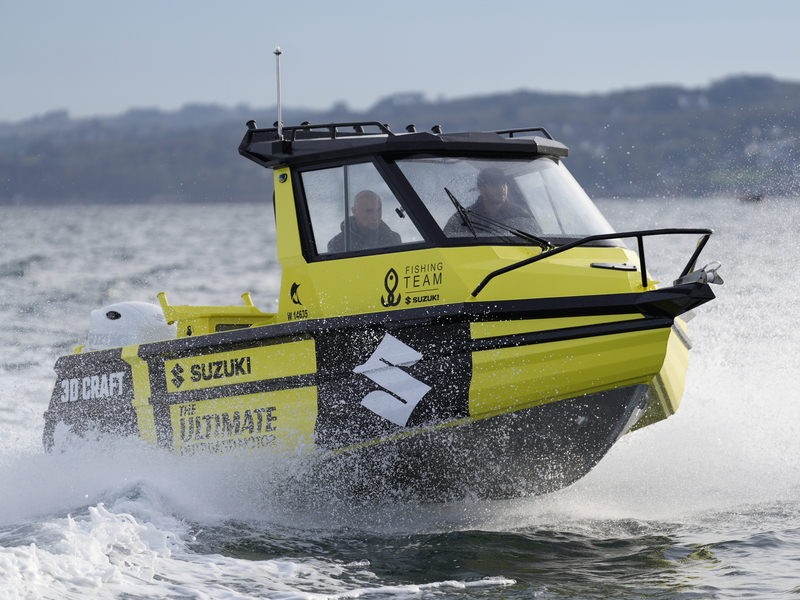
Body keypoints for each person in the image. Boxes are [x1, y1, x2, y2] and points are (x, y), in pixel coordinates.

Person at [443, 166, 540, 237]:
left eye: (503, 184)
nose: (502, 188)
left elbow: (538, 241)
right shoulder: (463, 218)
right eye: (495, 185)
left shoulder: (521, 216)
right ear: (481, 190)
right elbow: (445, 244)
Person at [327, 190, 402, 253]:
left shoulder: (393, 239)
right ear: (354, 211)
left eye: (378, 210)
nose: (375, 216)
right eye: (369, 211)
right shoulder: (338, 244)